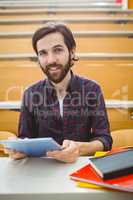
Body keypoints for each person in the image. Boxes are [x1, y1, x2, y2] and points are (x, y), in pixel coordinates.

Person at [6, 22, 113, 162]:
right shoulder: (30, 94)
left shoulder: (92, 89)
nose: (51, 60)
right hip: (42, 172)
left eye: (58, 50)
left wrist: (79, 148)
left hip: (80, 168)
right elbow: (25, 139)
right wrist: (19, 149)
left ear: (72, 51)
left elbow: (104, 140)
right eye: (43, 53)